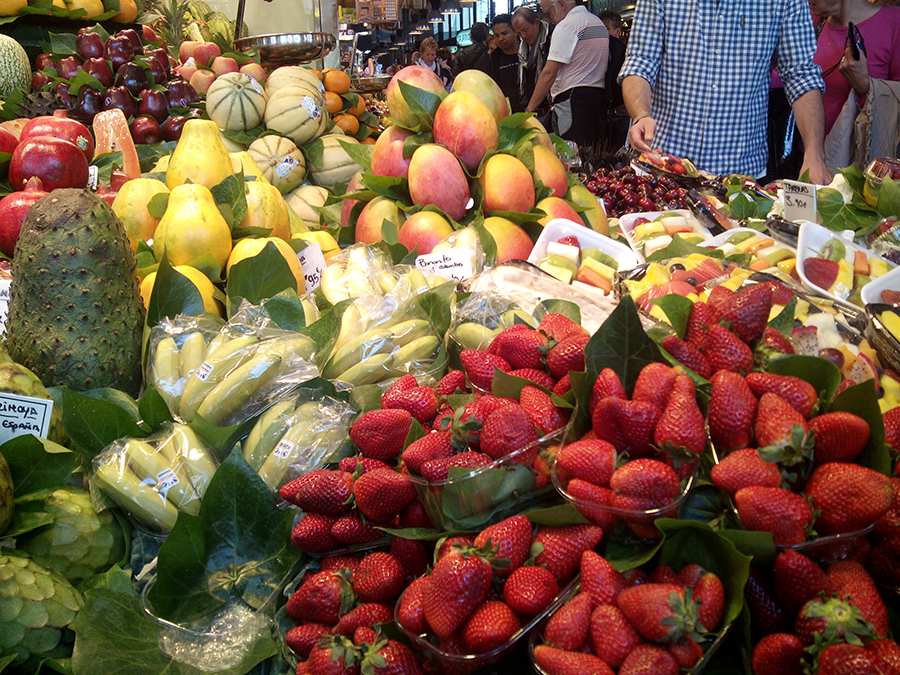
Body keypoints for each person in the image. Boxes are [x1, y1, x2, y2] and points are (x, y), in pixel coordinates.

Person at [620, 0, 831, 183]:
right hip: (664, 161)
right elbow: (640, 61)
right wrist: (641, 114)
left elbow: (801, 75)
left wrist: (814, 152)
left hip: (739, 172)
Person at [524, 0, 609, 148]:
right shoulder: (598, 23)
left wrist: (529, 110)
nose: (549, 20)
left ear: (561, 4)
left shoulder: (567, 26)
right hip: (598, 102)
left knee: (571, 158)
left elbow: (549, 73)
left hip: (572, 103)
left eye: (549, 13)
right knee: (593, 156)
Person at [512, 6, 552, 116]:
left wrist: (529, 109)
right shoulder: (522, 50)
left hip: (550, 110)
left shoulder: (551, 41)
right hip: (532, 112)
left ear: (537, 22)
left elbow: (550, 75)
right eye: (519, 33)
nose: (523, 36)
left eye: (525, 30)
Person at [598, 9, 627, 150]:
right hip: (610, 113)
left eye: (606, 29)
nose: (603, 34)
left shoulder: (620, 50)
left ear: (617, 31)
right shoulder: (619, 49)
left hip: (618, 113)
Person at [489, 14, 525, 113]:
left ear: (515, 32)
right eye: (496, 35)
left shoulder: (527, 53)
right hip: (508, 115)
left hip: (531, 112)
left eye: (504, 33)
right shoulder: (495, 58)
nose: (500, 39)